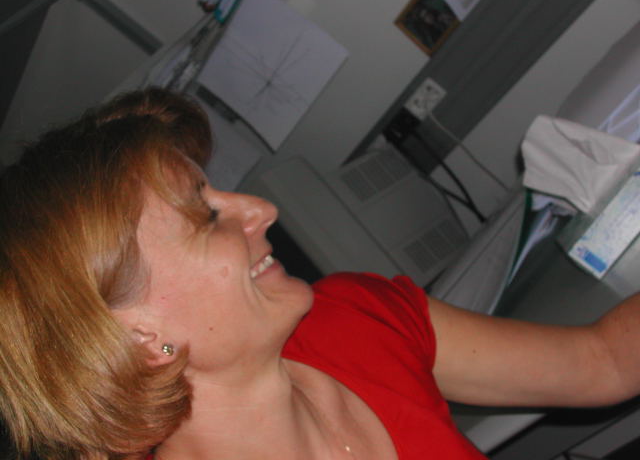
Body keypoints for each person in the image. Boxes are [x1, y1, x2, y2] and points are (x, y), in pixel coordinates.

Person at [0, 88, 639, 460]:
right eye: (206, 217)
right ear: (142, 340)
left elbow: (603, 361)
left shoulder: (351, 315)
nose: (262, 210)